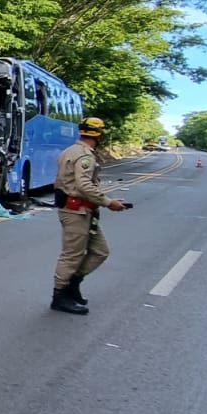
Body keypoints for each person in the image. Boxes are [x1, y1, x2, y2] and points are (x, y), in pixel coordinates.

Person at [49, 116, 127, 315]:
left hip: (84, 210)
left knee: (100, 251)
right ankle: (60, 296)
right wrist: (109, 202)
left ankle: (72, 284)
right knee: (71, 255)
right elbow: (83, 185)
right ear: (99, 135)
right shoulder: (84, 156)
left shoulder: (69, 151)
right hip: (75, 211)